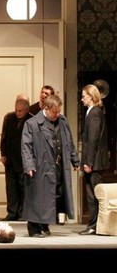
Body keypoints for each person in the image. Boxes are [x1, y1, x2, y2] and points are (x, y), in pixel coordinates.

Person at [22, 94, 80, 237]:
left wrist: (75, 160)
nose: (57, 114)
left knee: (52, 196)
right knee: (37, 197)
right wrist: (29, 165)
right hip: (40, 166)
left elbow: (69, 142)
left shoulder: (62, 121)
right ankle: (34, 228)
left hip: (58, 166)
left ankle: (44, 225)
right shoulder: (32, 123)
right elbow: (26, 146)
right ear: (46, 109)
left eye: (59, 111)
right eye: (55, 112)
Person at [79, 84, 109, 235]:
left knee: (93, 195)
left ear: (91, 97)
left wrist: (88, 162)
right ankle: (94, 225)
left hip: (94, 162)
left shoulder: (94, 112)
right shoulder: (92, 112)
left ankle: (94, 225)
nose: (82, 99)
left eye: (84, 96)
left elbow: (93, 139)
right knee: (91, 194)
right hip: (93, 161)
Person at [0, 95, 33, 220]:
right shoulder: (9, 118)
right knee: (11, 187)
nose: (18, 113)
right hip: (10, 158)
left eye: (20, 111)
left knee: (24, 187)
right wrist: (3, 154)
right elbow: (4, 137)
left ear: (27, 110)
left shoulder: (31, 120)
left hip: (24, 159)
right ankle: (12, 212)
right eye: (16, 110)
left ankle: (23, 213)